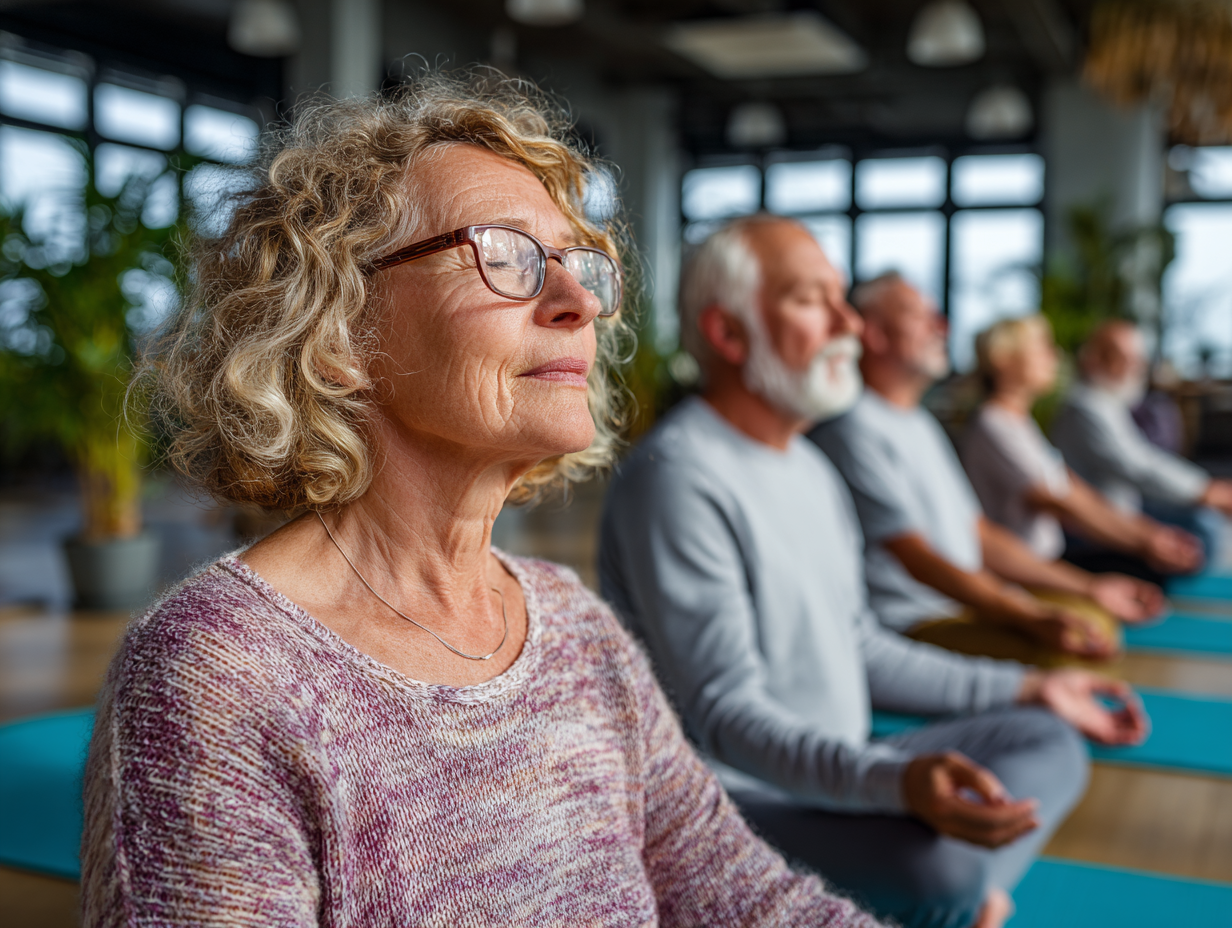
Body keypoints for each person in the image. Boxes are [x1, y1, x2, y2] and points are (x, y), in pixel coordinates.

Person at [80, 78, 888, 928]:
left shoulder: (578, 631)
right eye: (504, 255)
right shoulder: (218, 677)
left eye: (581, 263)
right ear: (341, 332)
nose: (578, 304)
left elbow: (750, 901)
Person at [599, 215, 1147, 928]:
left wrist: (1035, 686)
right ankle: (957, 892)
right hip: (740, 801)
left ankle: (968, 900)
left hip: (840, 764)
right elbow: (726, 719)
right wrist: (893, 784)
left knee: (1048, 739)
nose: (848, 322)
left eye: (843, 298)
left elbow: (859, 644)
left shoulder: (810, 466)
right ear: (729, 335)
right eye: (810, 299)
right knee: (938, 865)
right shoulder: (677, 478)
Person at [810, 274, 1164, 666]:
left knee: (1094, 621)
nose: (940, 325)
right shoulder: (854, 427)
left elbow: (977, 533)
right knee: (1076, 647)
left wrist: (1091, 587)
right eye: (918, 314)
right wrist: (1024, 613)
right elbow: (916, 557)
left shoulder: (919, 423)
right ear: (873, 334)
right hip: (913, 620)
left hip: (959, 601)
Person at [961, 314, 1203, 587]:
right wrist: (1145, 542)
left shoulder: (1019, 424)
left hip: (1046, 559)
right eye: (1042, 347)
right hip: (1023, 573)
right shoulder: (994, 426)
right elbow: (1066, 503)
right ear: (1002, 358)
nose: (1054, 355)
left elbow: (1077, 493)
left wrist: (1152, 535)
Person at [1051, 319, 1232, 572]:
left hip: (1119, 512)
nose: (1136, 369)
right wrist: (1205, 491)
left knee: (1202, 525)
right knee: (1204, 529)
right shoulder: (1085, 407)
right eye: (1126, 359)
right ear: (1094, 359)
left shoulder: (1105, 402)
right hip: (1095, 529)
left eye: (1138, 361)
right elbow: (1136, 466)